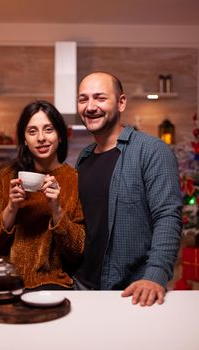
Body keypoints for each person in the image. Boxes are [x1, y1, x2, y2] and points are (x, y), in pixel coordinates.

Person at [74, 71, 183, 306]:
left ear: (121, 102)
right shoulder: (83, 158)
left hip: (132, 292)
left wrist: (155, 276)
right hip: (81, 286)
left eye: (100, 98)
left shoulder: (152, 151)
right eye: (83, 99)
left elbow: (167, 217)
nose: (90, 107)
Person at [0, 100, 85, 290]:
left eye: (48, 129)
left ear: (60, 136)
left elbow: (76, 250)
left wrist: (56, 208)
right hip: (5, 278)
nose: (41, 138)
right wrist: (11, 208)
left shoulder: (74, 179)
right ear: (24, 139)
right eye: (32, 131)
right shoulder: (6, 176)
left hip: (52, 282)